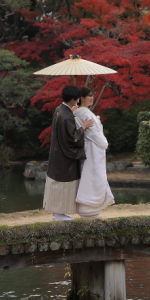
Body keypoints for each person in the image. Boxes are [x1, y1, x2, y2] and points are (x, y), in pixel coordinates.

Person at [43, 85, 94, 221]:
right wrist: (83, 127)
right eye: (77, 97)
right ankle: (59, 214)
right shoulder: (67, 116)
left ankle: (57, 213)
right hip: (65, 157)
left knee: (57, 185)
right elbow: (74, 138)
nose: (78, 99)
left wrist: (72, 112)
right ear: (73, 98)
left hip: (57, 154)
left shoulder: (60, 110)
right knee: (63, 186)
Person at [74, 87, 115, 219]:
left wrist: (96, 120)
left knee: (92, 174)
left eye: (92, 95)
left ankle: (91, 205)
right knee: (92, 174)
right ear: (82, 98)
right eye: (89, 96)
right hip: (92, 149)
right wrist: (105, 143)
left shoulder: (82, 113)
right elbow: (95, 135)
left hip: (92, 149)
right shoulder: (83, 113)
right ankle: (89, 205)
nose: (92, 98)